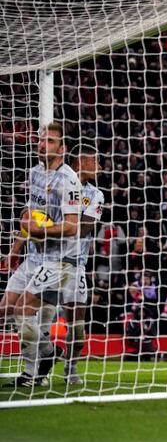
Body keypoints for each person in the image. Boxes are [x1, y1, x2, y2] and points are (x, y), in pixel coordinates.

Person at [6, 121, 82, 387]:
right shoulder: (35, 172)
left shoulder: (69, 180)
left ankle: (32, 372)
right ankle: (49, 353)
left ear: (62, 147)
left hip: (60, 260)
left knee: (22, 310)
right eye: (41, 140)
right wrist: (14, 250)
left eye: (50, 141)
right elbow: (28, 213)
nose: (42, 145)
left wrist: (41, 229)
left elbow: (73, 227)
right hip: (34, 256)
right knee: (5, 309)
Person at [59, 144, 104, 385]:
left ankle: (70, 367)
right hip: (45, 261)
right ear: (80, 161)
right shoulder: (57, 183)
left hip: (75, 265)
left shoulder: (95, 194)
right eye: (95, 160)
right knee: (34, 318)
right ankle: (34, 367)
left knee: (77, 328)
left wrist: (54, 226)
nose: (100, 166)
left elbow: (84, 227)